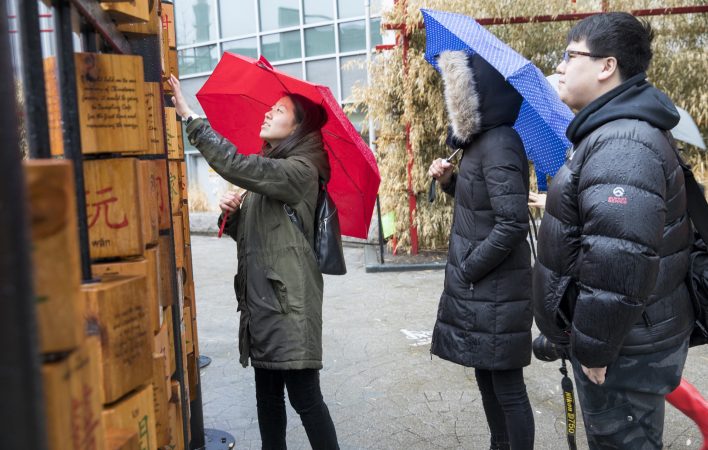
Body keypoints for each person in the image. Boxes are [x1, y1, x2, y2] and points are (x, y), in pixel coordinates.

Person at [532, 12, 694, 449]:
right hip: (631, 339)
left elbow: (618, 260)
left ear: (607, 66)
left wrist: (597, 349)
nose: (560, 67)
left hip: (623, 349)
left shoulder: (621, 142)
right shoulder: (615, 131)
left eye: (570, 55)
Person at [168, 75, 339, 450]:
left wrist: (189, 117)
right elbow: (257, 233)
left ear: (297, 128)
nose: (268, 113)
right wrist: (233, 214)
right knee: (267, 399)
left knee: (305, 399)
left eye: (278, 111)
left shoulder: (299, 170)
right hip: (264, 304)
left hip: (289, 306)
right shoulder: (271, 169)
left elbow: (233, 163)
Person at [428, 50, 534, 450]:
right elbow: (482, 205)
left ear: (478, 94)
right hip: (485, 290)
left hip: (494, 290)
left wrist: (468, 269)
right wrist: (451, 180)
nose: (451, 100)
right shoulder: (480, 142)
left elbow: (512, 223)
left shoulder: (501, 142)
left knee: (507, 388)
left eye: (458, 91)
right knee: (488, 380)